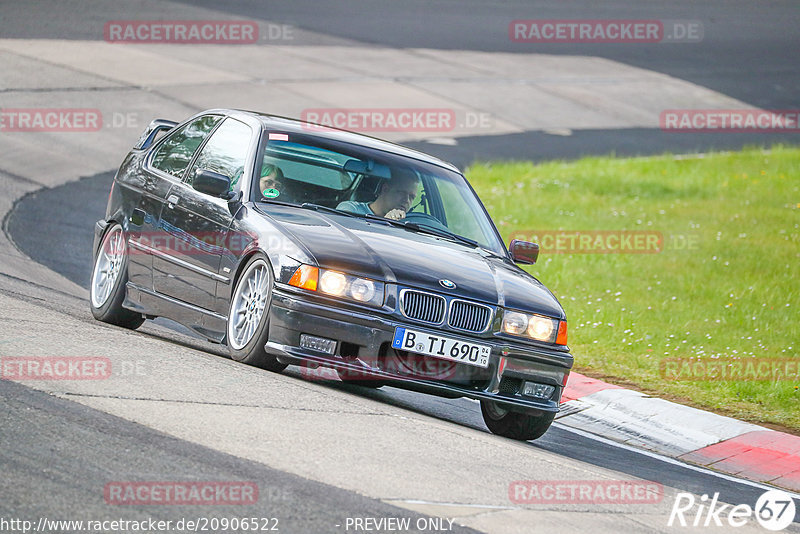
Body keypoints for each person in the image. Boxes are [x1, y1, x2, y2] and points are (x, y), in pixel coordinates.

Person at [337, 168, 419, 220]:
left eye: (412, 197)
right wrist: (386, 223)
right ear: (385, 189)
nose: (407, 200)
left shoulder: (407, 225)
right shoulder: (350, 209)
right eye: (402, 193)